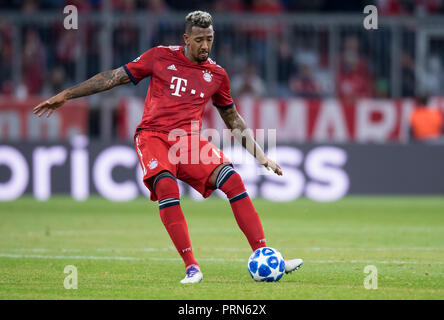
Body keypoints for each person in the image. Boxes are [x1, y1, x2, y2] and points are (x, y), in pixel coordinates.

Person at [33, 11, 303, 284]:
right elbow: (113, 77)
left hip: (189, 141)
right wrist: (66, 95)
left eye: (209, 39)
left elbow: (232, 119)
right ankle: (191, 267)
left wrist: (261, 156)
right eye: (199, 40)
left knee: (232, 180)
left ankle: (265, 253)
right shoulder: (159, 57)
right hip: (153, 136)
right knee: (166, 187)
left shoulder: (217, 75)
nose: (205, 46)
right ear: (186, 38)